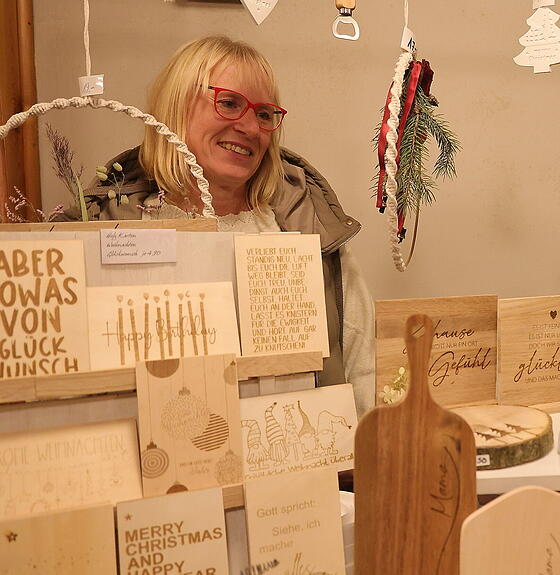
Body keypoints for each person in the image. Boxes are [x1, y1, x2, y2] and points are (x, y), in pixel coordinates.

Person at [54, 35, 374, 415]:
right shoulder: (107, 228)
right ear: (175, 107)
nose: (251, 128)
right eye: (229, 103)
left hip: (297, 465)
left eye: (264, 114)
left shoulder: (310, 233)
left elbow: (361, 368)